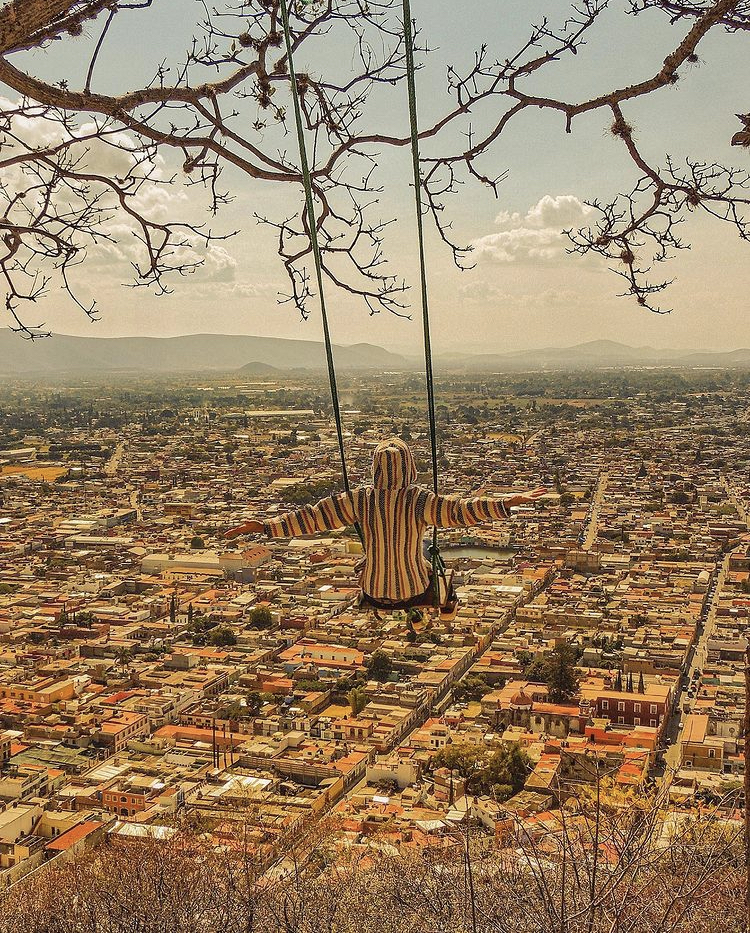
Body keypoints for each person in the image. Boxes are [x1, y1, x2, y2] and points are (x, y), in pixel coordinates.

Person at [225, 437, 546, 609]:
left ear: (375, 467)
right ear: (409, 466)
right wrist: (507, 502)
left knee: (372, 564)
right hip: (415, 588)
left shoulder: (359, 500)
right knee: (439, 573)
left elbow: (310, 520)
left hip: (373, 590)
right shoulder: (419, 500)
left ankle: (400, 607)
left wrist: (265, 527)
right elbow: (463, 512)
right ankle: (434, 610)